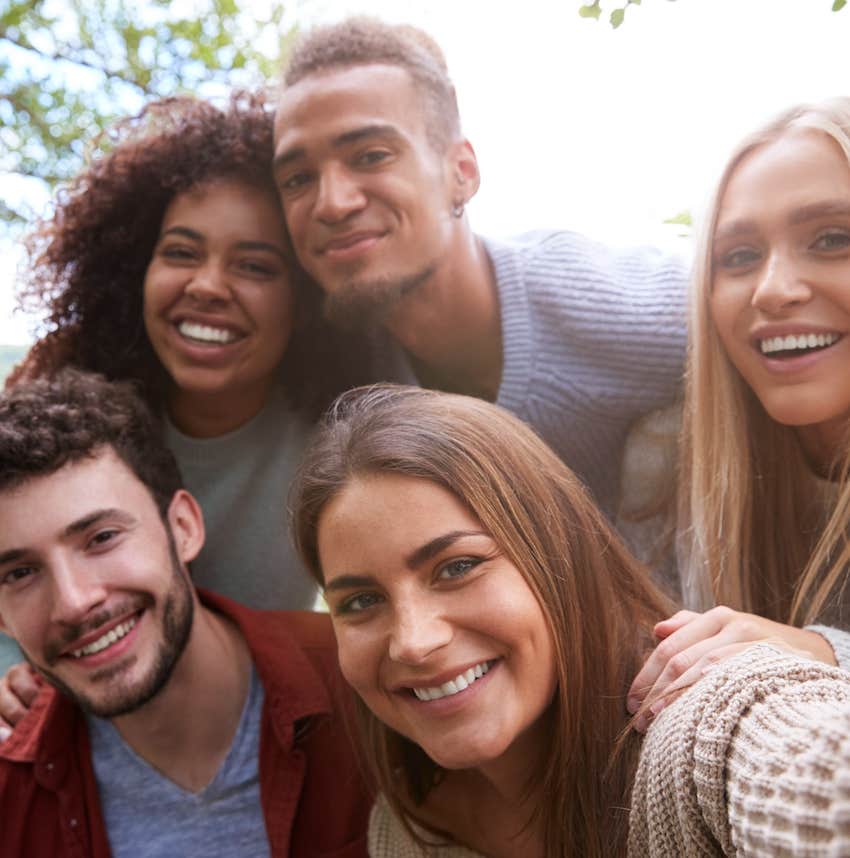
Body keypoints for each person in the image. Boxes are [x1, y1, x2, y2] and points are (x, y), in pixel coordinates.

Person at [290, 384, 850, 857]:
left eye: (457, 567)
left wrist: (829, 651)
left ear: (561, 556)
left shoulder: (702, 721)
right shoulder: (406, 827)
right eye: (361, 601)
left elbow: (819, 782)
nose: (414, 642)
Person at [272, 16, 688, 522]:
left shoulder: (620, 310)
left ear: (461, 173)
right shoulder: (343, 384)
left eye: (372, 155)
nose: (331, 203)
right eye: (297, 179)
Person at [0, 369, 372, 857]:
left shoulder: (365, 684)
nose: (73, 602)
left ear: (183, 528)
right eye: (20, 573)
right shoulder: (11, 797)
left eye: (102, 538)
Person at [626, 98, 850, 721]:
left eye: (833, 239)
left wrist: (819, 654)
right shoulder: (665, 461)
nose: (774, 289)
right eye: (740, 256)